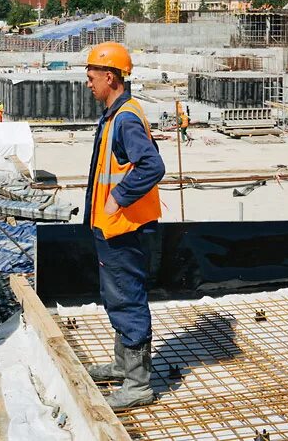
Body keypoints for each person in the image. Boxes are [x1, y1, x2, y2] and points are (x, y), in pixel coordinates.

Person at [82, 42, 165, 409]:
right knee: (116, 295)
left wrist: (118, 198)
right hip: (113, 226)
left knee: (127, 299)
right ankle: (122, 364)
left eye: (92, 77)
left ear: (110, 77)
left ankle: (138, 384)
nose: (88, 83)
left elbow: (152, 166)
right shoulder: (117, 114)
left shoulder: (126, 118)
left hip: (125, 227)